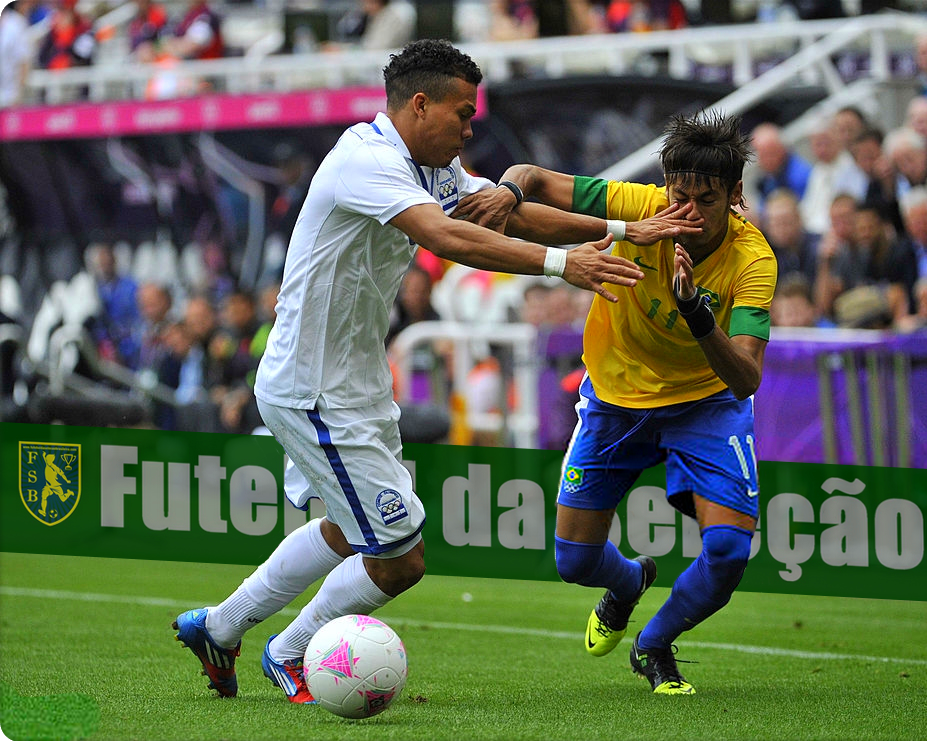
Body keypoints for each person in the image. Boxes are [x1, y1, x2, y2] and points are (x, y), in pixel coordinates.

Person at [171, 39, 697, 703]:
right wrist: (568, 266)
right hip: (313, 387)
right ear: (419, 105)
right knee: (400, 557)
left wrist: (622, 230)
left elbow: (509, 212)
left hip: (353, 383)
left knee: (346, 528)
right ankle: (290, 647)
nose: (470, 127)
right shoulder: (366, 161)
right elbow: (447, 237)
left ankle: (218, 627)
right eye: (462, 113)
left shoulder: (433, 167)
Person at [455, 109, 776, 695]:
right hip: (616, 400)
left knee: (729, 549)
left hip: (705, 404)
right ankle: (629, 582)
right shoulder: (638, 206)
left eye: (707, 200)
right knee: (574, 563)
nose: (689, 213)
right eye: (680, 195)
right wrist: (505, 193)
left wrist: (698, 316)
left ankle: (654, 644)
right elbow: (531, 176)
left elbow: (746, 377)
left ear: (735, 196)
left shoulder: (753, 261)